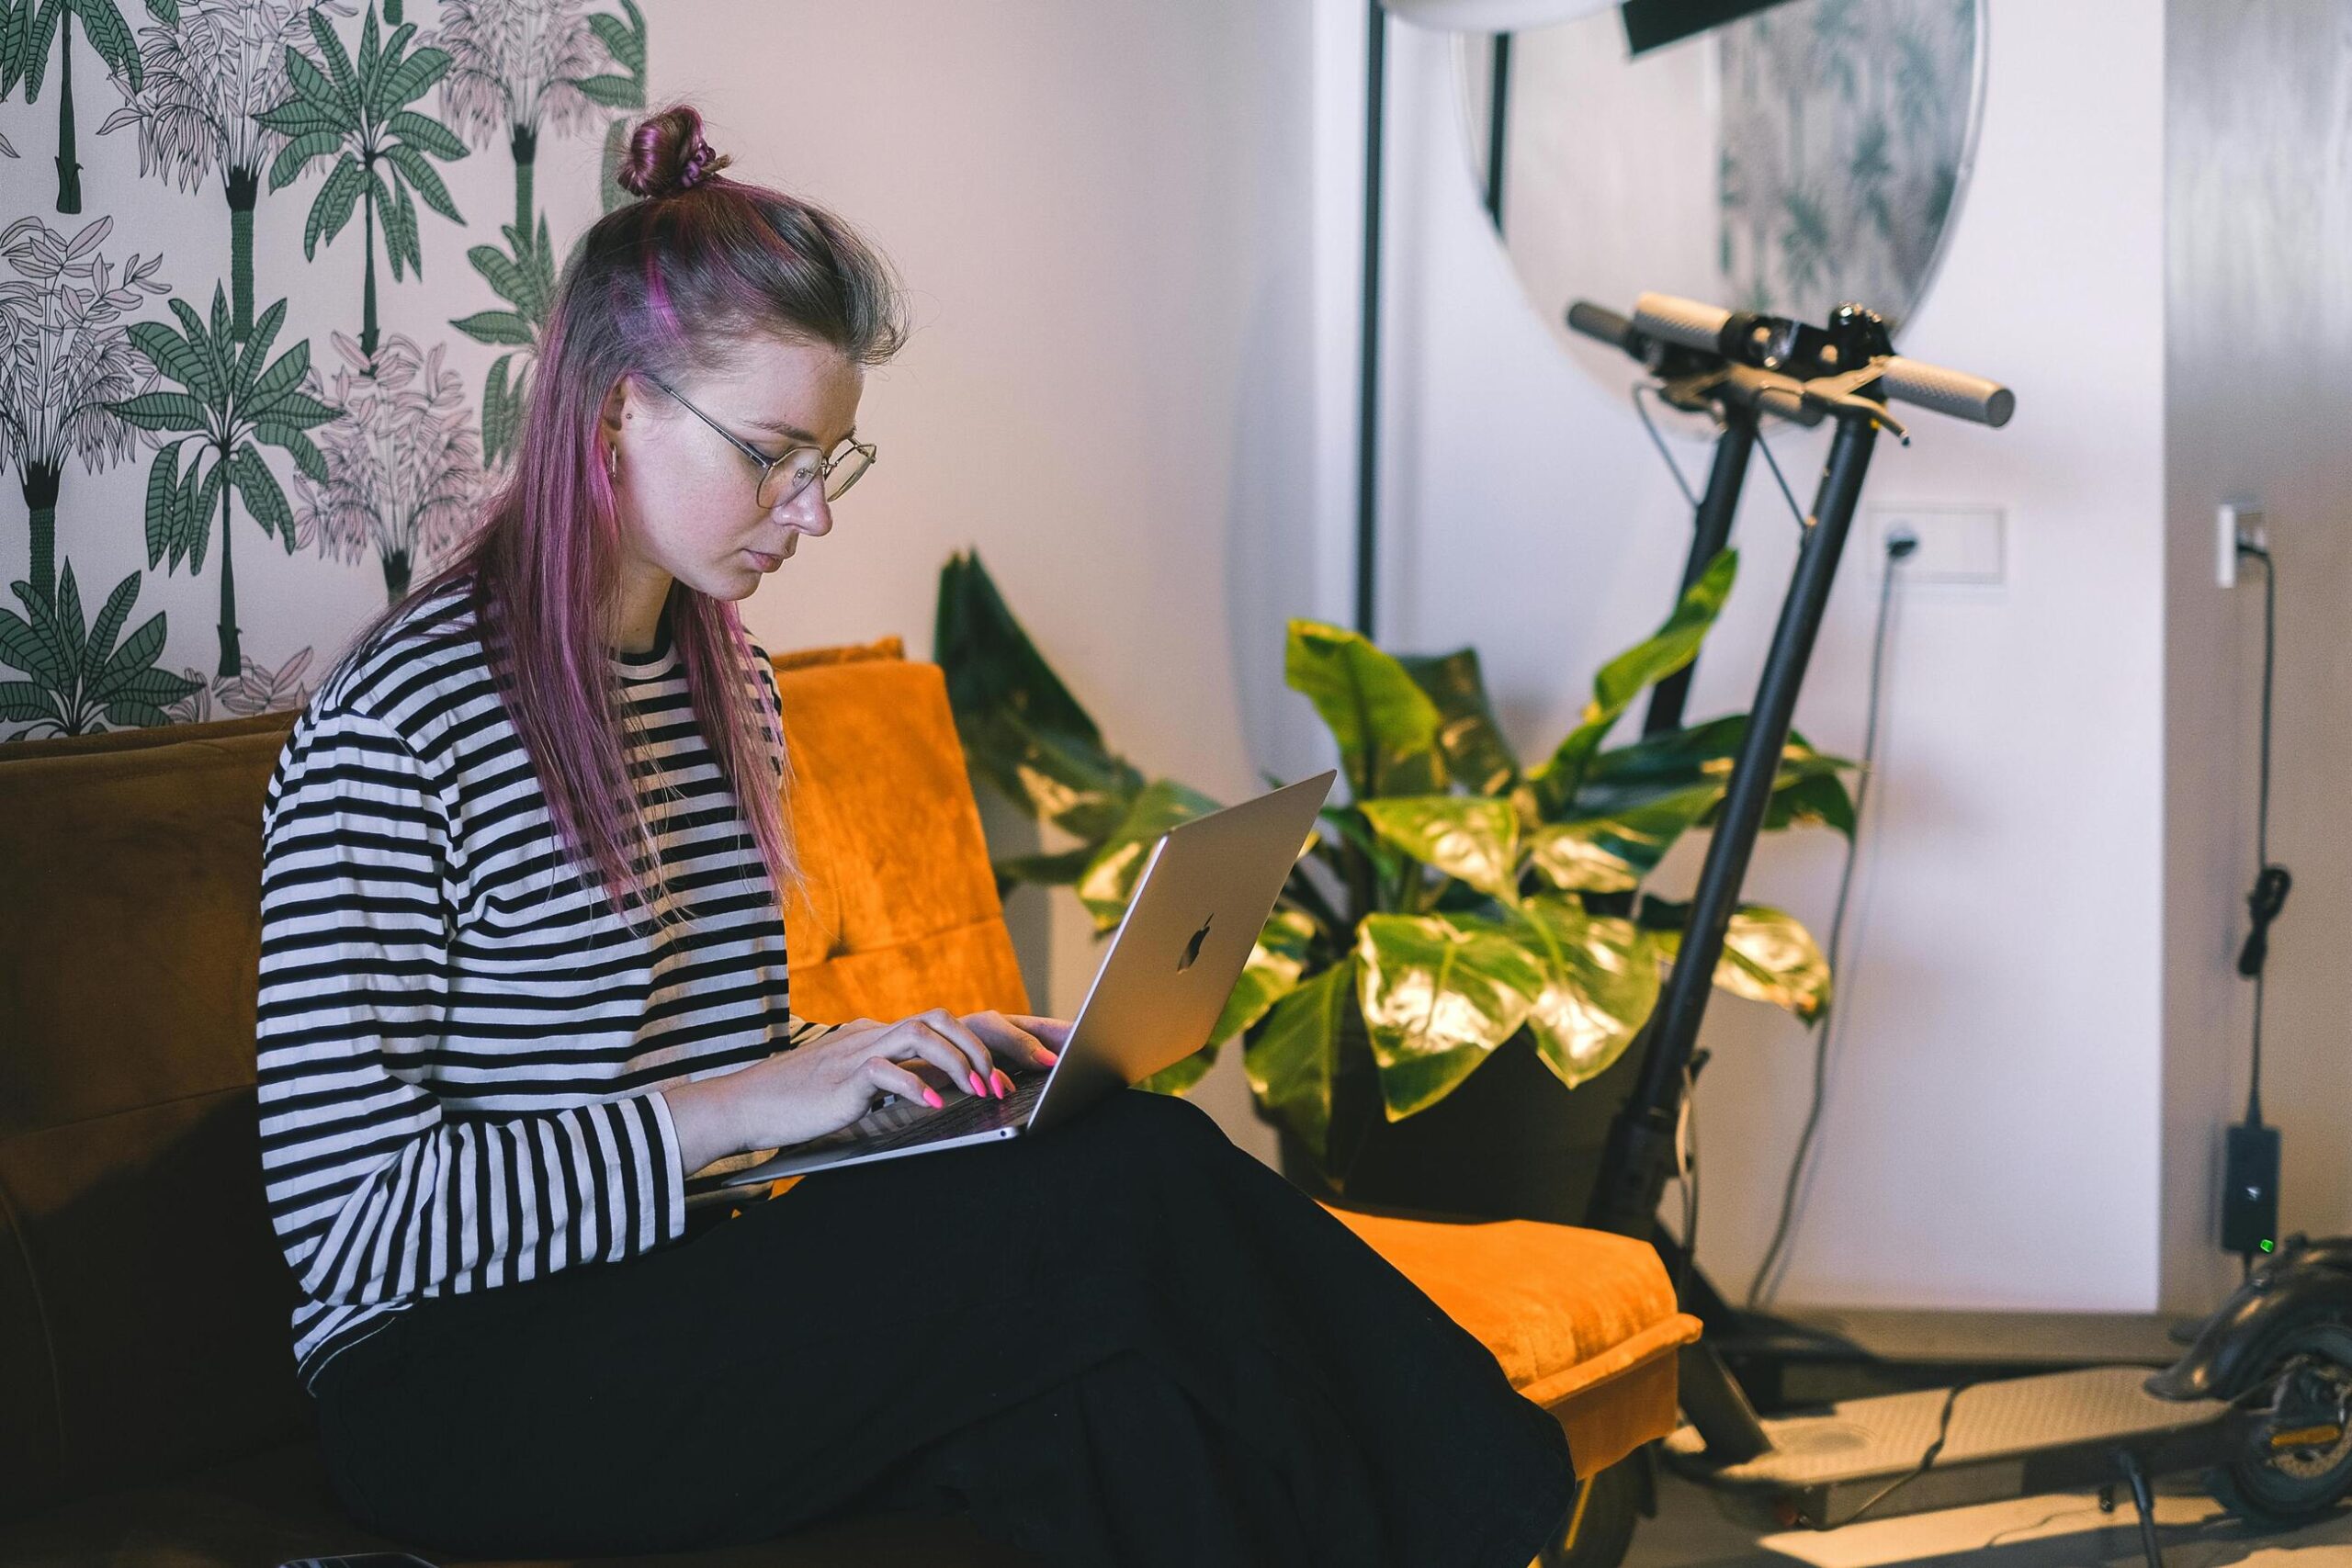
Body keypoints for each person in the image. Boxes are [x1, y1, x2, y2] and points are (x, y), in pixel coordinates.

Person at [255, 102, 1577, 1568]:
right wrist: (767, 1100)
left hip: (680, 1279)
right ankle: (1505, 1490)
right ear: (618, 407)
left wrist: (897, 1077)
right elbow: (360, 1227)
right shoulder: (402, 723)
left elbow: (716, 1067)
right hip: (463, 1376)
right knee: (1125, 1187)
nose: (809, 515)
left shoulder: (717, 676)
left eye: (832, 462)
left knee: (1100, 1380)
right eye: (773, 455)